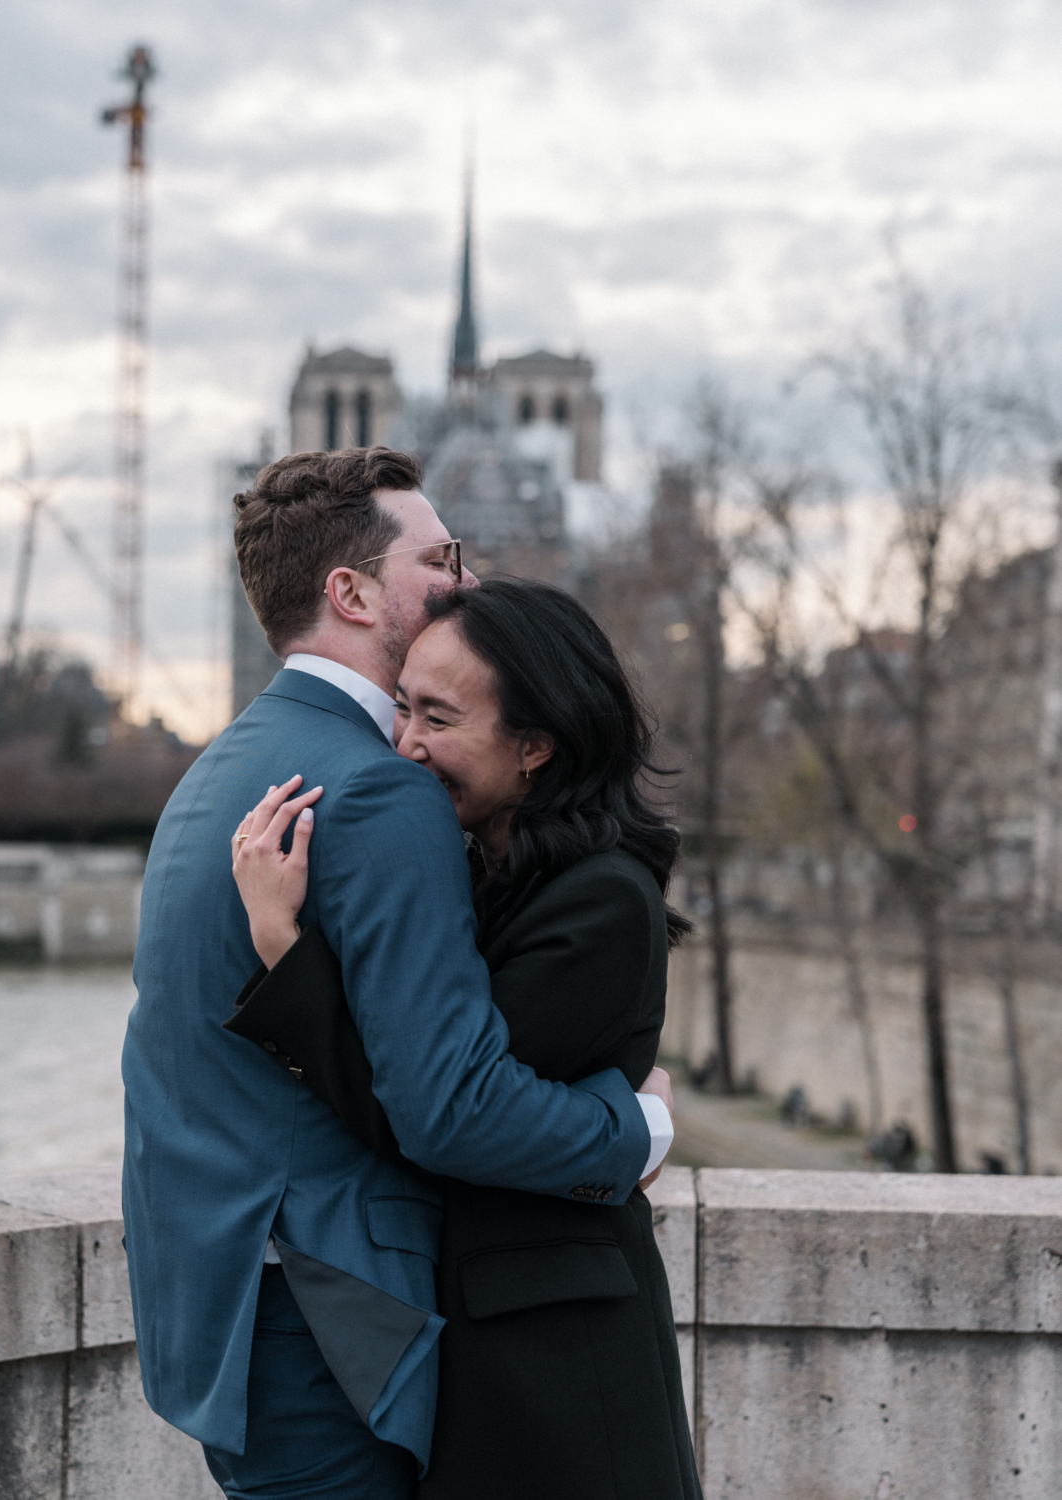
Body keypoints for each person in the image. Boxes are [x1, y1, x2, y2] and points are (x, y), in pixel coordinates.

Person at [121, 447, 674, 1500]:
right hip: (334, 1312)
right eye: (438, 558)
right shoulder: (380, 790)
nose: (461, 581)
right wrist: (632, 1131)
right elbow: (453, 1106)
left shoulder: (223, 767)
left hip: (223, 1301)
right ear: (353, 591)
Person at [228, 577, 701, 1500]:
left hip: (559, 1354)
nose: (405, 744)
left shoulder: (601, 901)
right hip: (488, 1329)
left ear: (534, 746)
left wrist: (285, 950)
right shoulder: (478, 872)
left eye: (438, 719)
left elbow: (432, 1111)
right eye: (402, 707)